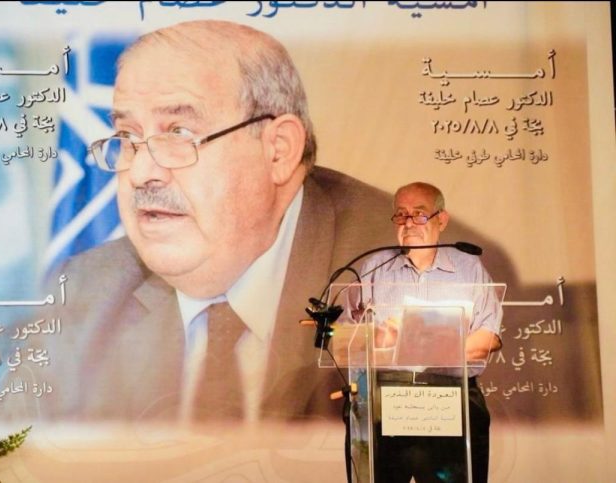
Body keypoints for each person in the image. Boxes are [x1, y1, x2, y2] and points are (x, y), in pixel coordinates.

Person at [25, 19, 394, 423]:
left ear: (278, 151)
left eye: (179, 133)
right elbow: (8, 449)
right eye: (127, 137)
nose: (141, 172)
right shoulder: (82, 293)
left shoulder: (400, 271)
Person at [356, 182, 503, 483]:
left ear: (441, 220)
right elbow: (351, 338)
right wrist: (378, 339)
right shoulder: (373, 267)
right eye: (401, 214)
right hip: (388, 400)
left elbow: (489, 337)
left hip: (451, 397)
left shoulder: (469, 268)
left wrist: (421, 343)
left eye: (419, 214)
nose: (409, 223)